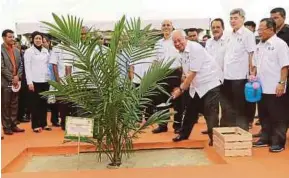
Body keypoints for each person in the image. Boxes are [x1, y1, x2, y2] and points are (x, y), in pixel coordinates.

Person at [171, 30, 222, 146]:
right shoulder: (182, 53)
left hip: (210, 84)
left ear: (185, 39)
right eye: (175, 42)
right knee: (190, 111)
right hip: (196, 86)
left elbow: (192, 73)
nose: (177, 43)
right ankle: (183, 134)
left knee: (210, 112)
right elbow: (186, 74)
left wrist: (181, 89)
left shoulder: (195, 48)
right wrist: (180, 85)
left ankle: (214, 139)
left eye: (179, 40)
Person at [252, 18, 289, 152]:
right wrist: (253, 75)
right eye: (258, 29)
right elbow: (255, 64)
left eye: (261, 29)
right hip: (261, 87)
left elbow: (285, 66)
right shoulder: (259, 45)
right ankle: (265, 138)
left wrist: (281, 83)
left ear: (271, 29)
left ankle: (278, 142)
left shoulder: (280, 44)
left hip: (275, 87)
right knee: (264, 115)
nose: (259, 32)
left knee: (278, 117)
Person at [222, 8, 256, 131]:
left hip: (240, 77)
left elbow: (252, 54)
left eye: (235, 18)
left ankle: (242, 130)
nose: (233, 21)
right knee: (228, 106)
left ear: (243, 18)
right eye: (231, 18)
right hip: (227, 76)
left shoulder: (248, 34)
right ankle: (230, 129)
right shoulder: (228, 35)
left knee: (240, 106)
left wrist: (252, 74)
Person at [151, 20, 183, 134]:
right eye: (163, 25)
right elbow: (155, 60)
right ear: (161, 28)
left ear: (172, 27)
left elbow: (182, 56)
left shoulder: (176, 41)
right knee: (161, 101)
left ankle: (178, 126)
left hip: (176, 72)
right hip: (161, 74)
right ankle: (162, 125)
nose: (166, 27)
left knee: (177, 100)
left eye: (168, 25)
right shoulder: (158, 43)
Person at [24, 31, 52, 133]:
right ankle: (35, 125)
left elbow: (48, 66)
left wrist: (49, 79)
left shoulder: (45, 51)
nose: (38, 40)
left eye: (40, 38)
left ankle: (44, 123)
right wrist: (29, 82)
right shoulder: (29, 52)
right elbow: (27, 68)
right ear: (32, 39)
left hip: (45, 80)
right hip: (34, 81)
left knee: (43, 103)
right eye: (36, 38)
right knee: (35, 104)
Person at [1, 29, 25, 135]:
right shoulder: (1, 50)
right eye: (10, 37)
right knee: (5, 105)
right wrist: (12, 78)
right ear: (3, 38)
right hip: (5, 82)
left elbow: (21, 65)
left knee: (14, 104)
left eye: (13, 36)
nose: (12, 39)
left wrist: (17, 77)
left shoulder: (16, 50)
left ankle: (13, 124)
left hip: (16, 81)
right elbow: (1, 67)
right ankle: (6, 127)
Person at [205, 18, 227, 127]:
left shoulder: (228, 40)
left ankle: (224, 130)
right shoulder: (208, 42)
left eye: (218, 27)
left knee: (226, 108)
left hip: (226, 79)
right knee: (212, 107)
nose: (215, 29)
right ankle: (213, 131)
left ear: (223, 28)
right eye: (213, 27)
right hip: (212, 80)